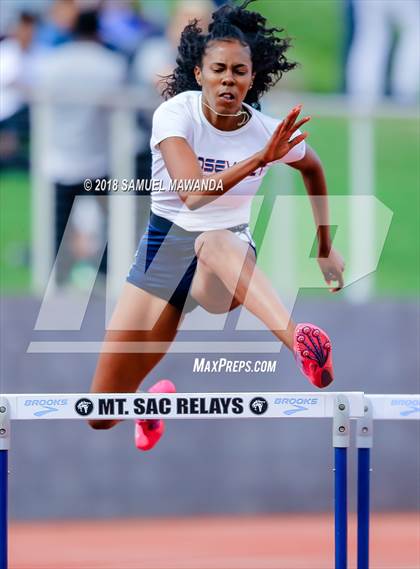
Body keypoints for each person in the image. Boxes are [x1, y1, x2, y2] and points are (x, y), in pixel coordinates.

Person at [88, 0, 345, 450]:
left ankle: (300, 342)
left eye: (240, 71)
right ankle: (149, 409)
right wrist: (259, 161)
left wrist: (325, 247)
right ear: (199, 74)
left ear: (252, 77)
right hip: (162, 253)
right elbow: (191, 192)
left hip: (223, 261)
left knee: (212, 240)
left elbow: (314, 168)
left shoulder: (267, 130)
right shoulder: (175, 114)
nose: (229, 79)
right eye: (219, 69)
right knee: (100, 412)